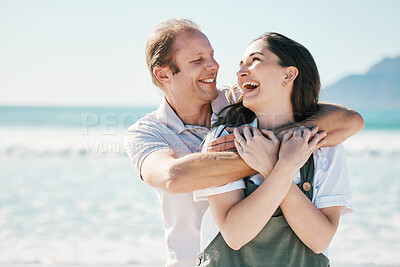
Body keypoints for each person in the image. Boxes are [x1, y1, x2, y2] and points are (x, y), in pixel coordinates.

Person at [124, 19, 364, 267]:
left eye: (212, 56)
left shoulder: (240, 101)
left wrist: (274, 146)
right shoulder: (146, 132)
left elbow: (348, 120)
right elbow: (175, 177)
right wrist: (276, 158)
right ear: (164, 74)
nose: (214, 66)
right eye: (197, 61)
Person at [194, 32, 353, 266]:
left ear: (289, 74)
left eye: (255, 60)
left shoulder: (324, 146)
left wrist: (271, 165)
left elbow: (319, 240)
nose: (240, 73)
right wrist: (283, 166)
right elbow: (235, 235)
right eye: (240, 65)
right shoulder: (224, 138)